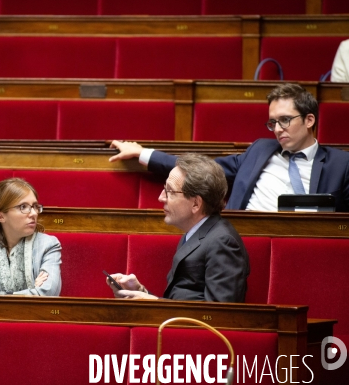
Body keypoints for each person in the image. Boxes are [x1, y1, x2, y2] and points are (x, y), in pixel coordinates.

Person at [109, 83, 349, 212]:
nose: (277, 129)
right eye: (272, 122)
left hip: (309, 246)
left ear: (309, 120)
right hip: (243, 241)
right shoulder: (259, 151)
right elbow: (202, 168)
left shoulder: (341, 164)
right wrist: (143, 154)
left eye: (285, 120)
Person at [106, 154, 249, 302]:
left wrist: (154, 303)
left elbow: (218, 315)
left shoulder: (223, 242)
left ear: (196, 204)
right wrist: (142, 292)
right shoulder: (195, 233)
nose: (161, 197)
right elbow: (181, 299)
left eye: (170, 192)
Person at [0, 178, 62, 296]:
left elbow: (48, 293)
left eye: (34, 206)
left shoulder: (48, 245)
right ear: (1, 217)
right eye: (23, 207)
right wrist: (32, 291)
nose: (34, 213)